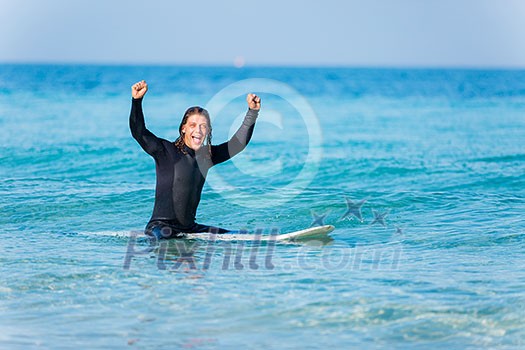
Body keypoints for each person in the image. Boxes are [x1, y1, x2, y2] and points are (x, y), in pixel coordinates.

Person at [129, 80, 261, 240]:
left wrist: (252, 112)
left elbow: (237, 145)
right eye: (193, 125)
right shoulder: (165, 151)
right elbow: (139, 132)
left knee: (236, 236)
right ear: (183, 128)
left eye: (203, 126)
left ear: (208, 130)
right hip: (160, 226)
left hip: (189, 228)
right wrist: (137, 101)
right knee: (167, 237)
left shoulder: (207, 157)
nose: (198, 130)